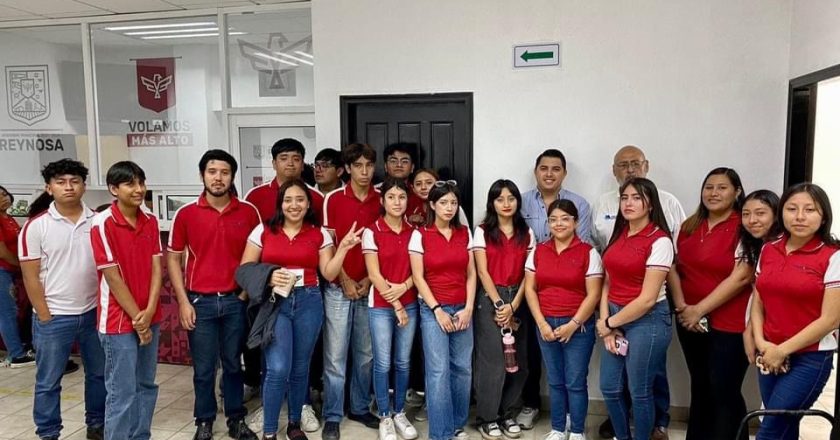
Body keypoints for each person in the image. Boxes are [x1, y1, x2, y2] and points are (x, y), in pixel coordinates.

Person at [240, 179, 363, 440]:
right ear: (280, 203)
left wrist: (342, 249)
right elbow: (244, 270)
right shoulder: (263, 231)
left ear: (308, 204)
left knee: (300, 367)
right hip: (276, 304)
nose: (294, 205)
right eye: (288, 200)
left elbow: (329, 273)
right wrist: (270, 276)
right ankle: (270, 431)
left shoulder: (318, 234)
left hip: (309, 301)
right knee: (277, 367)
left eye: (300, 200)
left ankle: (294, 425)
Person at [591, 145, 685, 439]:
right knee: (609, 387)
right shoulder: (619, 235)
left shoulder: (660, 241)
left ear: (650, 203)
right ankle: (622, 435)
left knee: (639, 389)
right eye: (625, 198)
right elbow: (607, 280)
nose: (629, 203)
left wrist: (608, 325)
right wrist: (607, 321)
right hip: (615, 315)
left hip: (648, 320)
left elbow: (646, 299)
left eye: (637, 198)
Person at [167, 150, 261, 440]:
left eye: (224, 172)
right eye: (212, 171)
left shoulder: (248, 211)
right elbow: (172, 258)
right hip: (200, 302)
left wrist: (244, 294)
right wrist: (183, 302)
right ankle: (204, 421)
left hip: (235, 301)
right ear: (202, 175)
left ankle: (235, 419)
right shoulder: (186, 213)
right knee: (204, 369)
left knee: (234, 365)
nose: (218, 177)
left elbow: (257, 256)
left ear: (232, 177)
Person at [19, 159, 105, 440]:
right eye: (61, 182)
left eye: (75, 181)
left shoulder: (97, 222)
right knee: (48, 381)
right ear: (49, 187)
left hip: (94, 313)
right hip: (54, 317)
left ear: (84, 185)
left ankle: (97, 424)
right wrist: (44, 314)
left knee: (98, 375)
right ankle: (48, 432)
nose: (68, 187)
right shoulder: (36, 227)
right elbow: (30, 277)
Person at [666, 168, 752, 440]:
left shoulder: (745, 225)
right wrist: (683, 307)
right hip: (689, 320)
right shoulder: (690, 225)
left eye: (722, 187)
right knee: (700, 385)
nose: (714, 193)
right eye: (709, 187)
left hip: (730, 321)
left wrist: (698, 309)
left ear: (737, 192)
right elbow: (674, 267)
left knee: (723, 387)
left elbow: (742, 277)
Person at [750, 183, 840, 440]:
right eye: (792, 209)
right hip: (768, 352)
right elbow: (758, 300)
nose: (799, 216)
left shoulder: (833, 256)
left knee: (770, 427)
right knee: (784, 427)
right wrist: (761, 343)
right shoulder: (769, 248)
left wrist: (782, 350)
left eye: (809, 210)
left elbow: (831, 319)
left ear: (823, 216)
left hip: (810, 357)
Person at [519, 148, 592, 429]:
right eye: (544, 168)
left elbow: (580, 250)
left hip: (570, 295)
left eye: (556, 168)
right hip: (530, 287)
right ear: (536, 170)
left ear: (564, 172)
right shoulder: (521, 201)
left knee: (573, 374)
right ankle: (532, 405)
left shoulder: (580, 204)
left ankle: (574, 426)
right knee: (531, 354)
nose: (549, 173)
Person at [90, 161, 162, 440]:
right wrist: (138, 319)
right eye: (131, 183)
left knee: (146, 384)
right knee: (122, 391)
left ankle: (140, 435)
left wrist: (150, 310)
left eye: (141, 183)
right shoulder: (102, 223)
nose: (139, 189)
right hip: (118, 321)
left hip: (148, 315)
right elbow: (113, 277)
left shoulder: (150, 220)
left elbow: (158, 267)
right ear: (113, 189)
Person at [524, 199, 602, 440]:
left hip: (578, 327)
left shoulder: (588, 252)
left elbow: (594, 294)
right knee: (556, 381)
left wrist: (573, 324)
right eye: (553, 219)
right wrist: (541, 323)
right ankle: (558, 428)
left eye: (565, 219)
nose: (559, 224)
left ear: (576, 222)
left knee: (575, 382)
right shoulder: (539, 250)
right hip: (545, 324)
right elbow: (530, 290)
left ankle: (577, 431)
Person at [321, 143, 381, 439]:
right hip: (337, 287)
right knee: (335, 354)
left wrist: (369, 280)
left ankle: (358, 406)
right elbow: (328, 244)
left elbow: (383, 245)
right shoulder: (332, 199)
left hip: (370, 287)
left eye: (369, 165)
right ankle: (332, 414)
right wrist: (344, 278)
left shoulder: (382, 199)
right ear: (347, 169)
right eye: (358, 165)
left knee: (366, 353)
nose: (365, 171)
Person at [409, 180, 476, 440]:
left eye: (454, 203)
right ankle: (440, 433)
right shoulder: (420, 235)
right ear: (432, 205)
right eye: (444, 203)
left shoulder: (464, 234)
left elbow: (471, 274)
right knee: (438, 371)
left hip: (462, 307)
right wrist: (437, 309)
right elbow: (418, 277)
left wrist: (469, 308)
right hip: (432, 309)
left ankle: (457, 424)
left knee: (462, 368)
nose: (449, 208)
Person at [472, 179, 534, 440]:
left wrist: (514, 305)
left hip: (519, 298)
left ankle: (509, 414)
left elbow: (529, 274)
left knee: (518, 362)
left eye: (511, 198)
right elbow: (482, 271)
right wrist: (499, 304)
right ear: (492, 203)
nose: (506, 204)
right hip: (490, 298)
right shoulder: (482, 231)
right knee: (493, 363)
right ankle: (488, 417)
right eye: (500, 199)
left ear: (518, 201)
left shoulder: (527, 232)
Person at [361, 178, 419, 440]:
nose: (397, 202)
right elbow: (373, 274)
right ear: (382, 201)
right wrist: (396, 302)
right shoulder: (371, 231)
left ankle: (399, 412)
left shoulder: (415, 232)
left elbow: (419, 272)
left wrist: (405, 286)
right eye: (392, 197)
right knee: (382, 362)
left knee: (403, 362)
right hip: (382, 306)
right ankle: (384, 414)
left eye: (402, 197)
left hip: (410, 302)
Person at [246, 138, 325, 224]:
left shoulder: (316, 197)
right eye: (284, 159)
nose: (290, 163)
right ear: (274, 164)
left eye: (296, 159)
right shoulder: (254, 195)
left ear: (302, 165)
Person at [0, 185, 34, 367]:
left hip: (11, 270)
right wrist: (23, 266)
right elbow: (2, 252)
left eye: (5, 194)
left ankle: (18, 348)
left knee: (12, 311)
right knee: (7, 313)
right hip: (2, 271)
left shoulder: (9, 218)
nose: (4, 198)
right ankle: (16, 355)